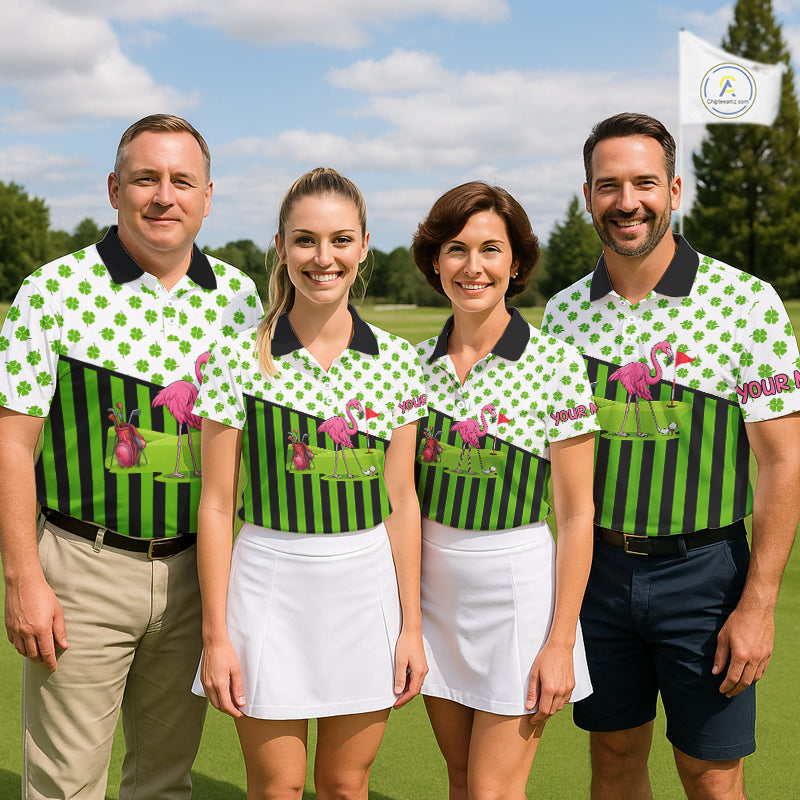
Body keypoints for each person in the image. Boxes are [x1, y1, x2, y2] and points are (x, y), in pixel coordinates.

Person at [0, 114, 263, 800]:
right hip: (81, 570)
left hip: (195, 574)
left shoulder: (241, 300)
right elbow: (10, 443)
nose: (164, 196)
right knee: (64, 785)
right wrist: (23, 578)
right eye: (146, 178)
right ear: (115, 189)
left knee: (165, 782)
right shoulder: (52, 290)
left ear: (208, 196)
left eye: (182, 181)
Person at [542, 112, 800, 800]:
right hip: (597, 573)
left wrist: (759, 603)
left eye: (644, 183)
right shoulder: (563, 315)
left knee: (711, 774)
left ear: (675, 190)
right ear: (588, 196)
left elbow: (783, 462)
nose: (627, 201)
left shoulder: (746, 303)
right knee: (613, 757)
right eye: (608, 186)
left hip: (706, 575)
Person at [193, 167, 427, 799]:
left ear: (364, 246)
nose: (324, 258)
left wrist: (411, 626)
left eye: (341, 240)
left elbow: (402, 503)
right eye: (305, 240)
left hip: (366, 588)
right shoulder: (237, 357)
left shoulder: (399, 362)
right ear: (281, 247)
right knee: (276, 788)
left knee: (346, 785)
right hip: (266, 585)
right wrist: (216, 636)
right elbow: (216, 505)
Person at [410, 181, 597, 799]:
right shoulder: (409, 366)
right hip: (433, 598)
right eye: (456, 249)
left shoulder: (556, 364)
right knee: (462, 779)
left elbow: (576, 515)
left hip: (517, 598)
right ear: (436, 260)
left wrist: (561, 641)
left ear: (515, 263)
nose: (473, 267)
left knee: (493, 790)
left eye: (491, 249)